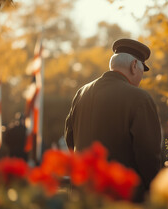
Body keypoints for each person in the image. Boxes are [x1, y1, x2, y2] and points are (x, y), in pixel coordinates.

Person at [64, 39, 162, 200]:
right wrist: (153, 189)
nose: (141, 78)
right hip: (120, 195)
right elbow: (149, 153)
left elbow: (70, 138)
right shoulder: (140, 98)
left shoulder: (81, 93)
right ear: (133, 66)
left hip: (83, 193)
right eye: (142, 72)